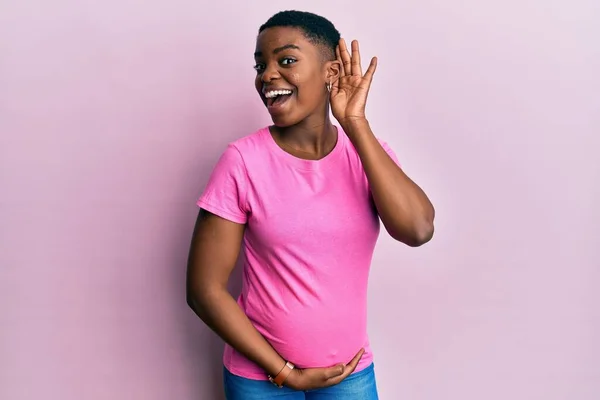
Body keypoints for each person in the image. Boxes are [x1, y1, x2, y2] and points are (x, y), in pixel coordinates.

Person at [186, 10, 435, 399]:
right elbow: (204, 289)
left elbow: (418, 230)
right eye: (260, 64)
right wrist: (285, 373)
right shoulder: (242, 161)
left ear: (331, 72)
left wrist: (356, 123)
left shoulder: (367, 155)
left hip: (350, 374)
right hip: (261, 381)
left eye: (286, 60)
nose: (267, 74)